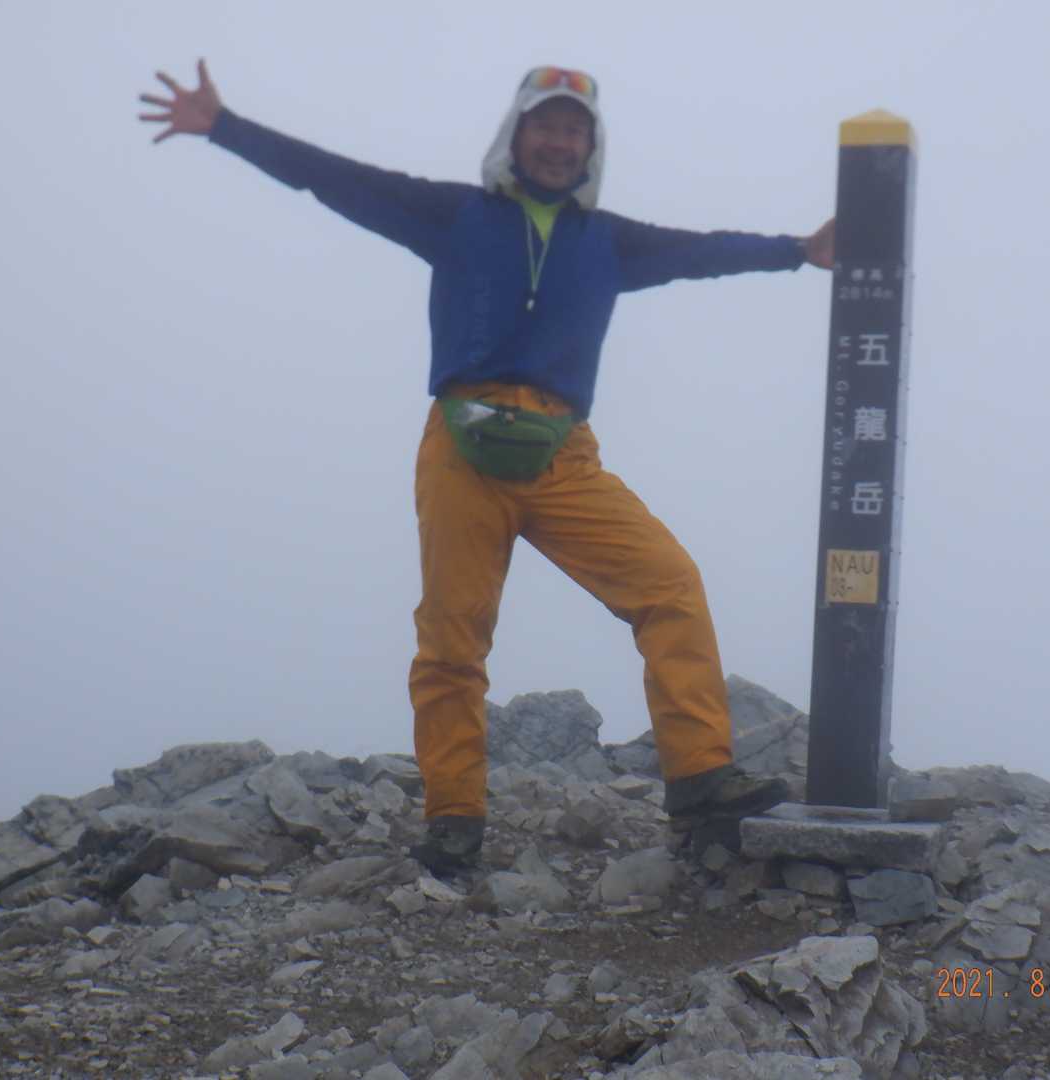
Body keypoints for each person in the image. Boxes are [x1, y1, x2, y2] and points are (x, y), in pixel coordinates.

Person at [139, 60, 836, 872]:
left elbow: (701, 252)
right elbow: (334, 178)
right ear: (517, 134)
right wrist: (225, 127)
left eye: (574, 131)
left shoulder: (607, 241)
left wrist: (797, 250)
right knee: (452, 639)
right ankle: (454, 820)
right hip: (461, 448)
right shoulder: (456, 216)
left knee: (669, 585)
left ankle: (701, 779)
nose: (559, 143)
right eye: (546, 126)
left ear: (590, 148)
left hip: (563, 455)